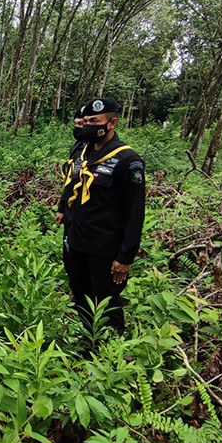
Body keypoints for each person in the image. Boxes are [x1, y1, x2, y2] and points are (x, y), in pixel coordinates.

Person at [62, 97, 145, 341]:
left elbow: (135, 213)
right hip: (78, 240)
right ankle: (88, 342)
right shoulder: (83, 153)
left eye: (94, 121)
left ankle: (110, 351)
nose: (87, 126)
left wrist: (125, 257)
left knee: (106, 300)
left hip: (104, 247)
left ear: (112, 123)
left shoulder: (128, 161)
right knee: (81, 294)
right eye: (85, 121)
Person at [55, 107, 87, 276]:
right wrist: (62, 208)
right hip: (71, 209)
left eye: (82, 124)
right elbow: (70, 182)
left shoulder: (103, 153)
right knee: (69, 253)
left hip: (88, 215)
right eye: (76, 124)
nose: (78, 127)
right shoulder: (77, 147)